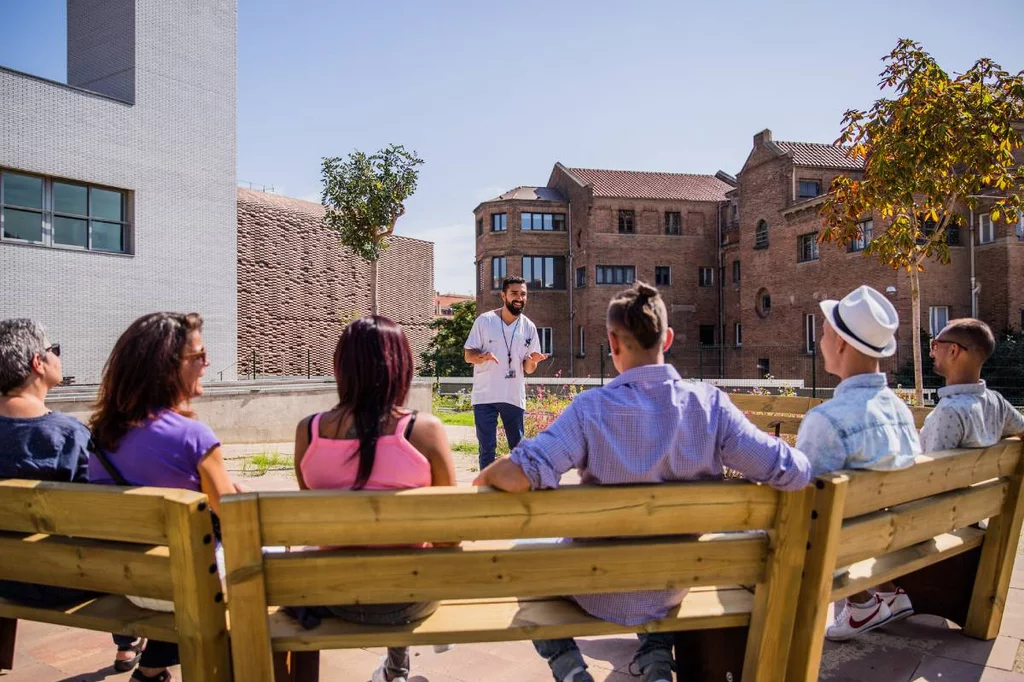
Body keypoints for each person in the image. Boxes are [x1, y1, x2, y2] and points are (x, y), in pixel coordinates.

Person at [473, 282, 812, 682]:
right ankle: (654, 658)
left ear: (613, 343)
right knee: (661, 568)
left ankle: (570, 668)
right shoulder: (711, 407)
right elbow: (795, 472)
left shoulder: (590, 410)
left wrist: (488, 472)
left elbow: (519, 475)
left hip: (593, 587)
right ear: (667, 338)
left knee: (524, 557)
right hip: (673, 585)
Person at [292, 316, 456, 682]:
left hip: (333, 594)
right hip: (409, 599)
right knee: (408, 557)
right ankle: (396, 670)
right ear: (402, 367)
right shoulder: (425, 431)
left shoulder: (309, 431)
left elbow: (316, 520)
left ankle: (394, 670)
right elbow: (450, 534)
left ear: (341, 367)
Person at [88, 312, 240, 682]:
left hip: (127, 583)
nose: (207, 364)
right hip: (188, 586)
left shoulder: (100, 437)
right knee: (264, 559)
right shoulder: (194, 437)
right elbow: (239, 520)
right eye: (199, 357)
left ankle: (153, 667)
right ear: (167, 367)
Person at [0, 318, 145, 672]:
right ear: (38, 363)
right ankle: (132, 649)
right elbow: (106, 517)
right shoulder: (71, 435)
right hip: (67, 581)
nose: (57, 358)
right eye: (54, 351)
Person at [794, 285, 921, 642]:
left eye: (823, 335)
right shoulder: (901, 410)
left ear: (841, 345)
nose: (820, 343)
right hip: (892, 538)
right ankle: (882, 593)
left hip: (838, 546)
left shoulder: (827, 421)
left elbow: (801, 505)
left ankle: (862, 604)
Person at [464, 275, 549, 470]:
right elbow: (468, 355)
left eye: (523, 294)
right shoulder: (484, 321)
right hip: (485, 396)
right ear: (503, 296)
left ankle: (516, 492)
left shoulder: (529, 327)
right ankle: (486, 493)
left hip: (513, 396)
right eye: (514, 293)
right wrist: (483, 357)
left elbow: (528, 369)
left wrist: (533, 361)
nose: (519, 298)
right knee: (487, 449)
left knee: (517, 449)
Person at [921, 318, 1024, 451]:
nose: (931, 353)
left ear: (953, 350)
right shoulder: (997, 402)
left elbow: (932, 469)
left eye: (935, 345)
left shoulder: (949, 411)